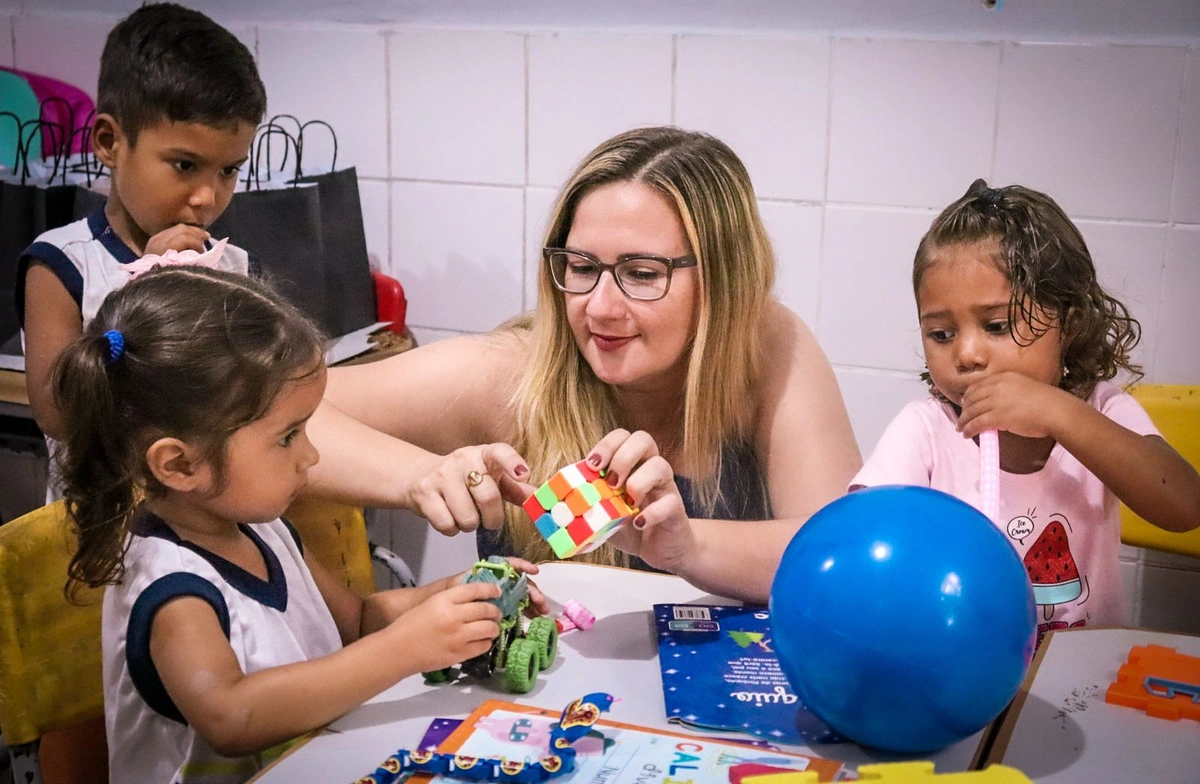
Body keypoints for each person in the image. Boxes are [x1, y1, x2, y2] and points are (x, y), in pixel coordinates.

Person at [306, 126, 862, 602]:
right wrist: (415, 476)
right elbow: (275, 411)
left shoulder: (768, 345)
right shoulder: (510, 376)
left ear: (724, 282)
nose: (599, 308)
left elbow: (844, 557)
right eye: (581, 267)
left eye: (642, 274)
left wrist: (688, 547)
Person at [53, 265, 544, 782]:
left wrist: (458, 596)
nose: (311, 456)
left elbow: (357, 621)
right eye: (288, 437)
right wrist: (405, 648)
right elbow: (232, 717)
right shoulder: (172, 587)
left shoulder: (260, 527)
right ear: (179, 465)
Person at [850, 179, 1200, 640]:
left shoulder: (1102, 409)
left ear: (1070, 325)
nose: (967, 354)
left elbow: (1184, 507)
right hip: (967, 668)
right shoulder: (928, 429)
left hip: (1076, 671)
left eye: (996, 326)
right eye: (941, 334)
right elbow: (863, 536)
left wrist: (1059, 413)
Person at [18, 1, 265, 443]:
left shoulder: (237, 269)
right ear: (109, 142)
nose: (208, 197)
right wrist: (149, 291)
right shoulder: (62, 267)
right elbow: (61, 417)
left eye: (229, 170)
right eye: (185, 165)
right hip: (112, 490)